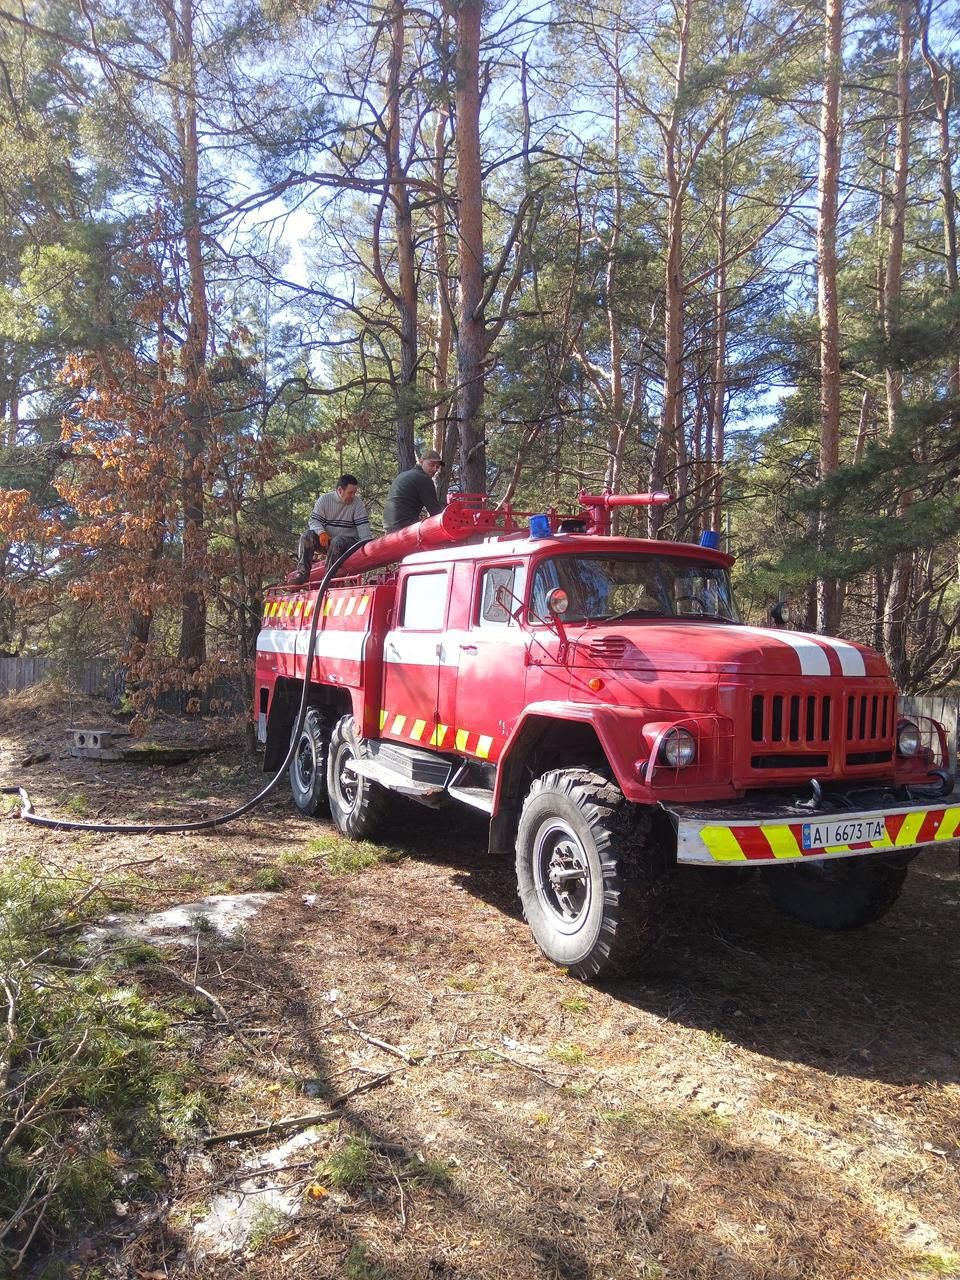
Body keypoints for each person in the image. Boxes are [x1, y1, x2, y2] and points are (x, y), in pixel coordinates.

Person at [291, 473, 372, 584]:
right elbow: (314, 521)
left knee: (337, 540)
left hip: (349, 544)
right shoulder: (324, 500)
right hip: (328, 541)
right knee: (307, 536)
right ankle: (302, 573)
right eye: (350, 493)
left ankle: (329, 579)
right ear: (340, 490)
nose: (353, 496)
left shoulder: (357, 504)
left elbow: (364, 529)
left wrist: (367, 548)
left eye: (355, 493)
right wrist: (321, 532)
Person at [382, 450, 444, 533]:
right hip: (404, 526)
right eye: (431, 464)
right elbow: (435, 512)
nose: (434, 469)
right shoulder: (423, 479)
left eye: (437, 467)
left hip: (388, 526)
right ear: (421, 461)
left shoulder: (404, 474)